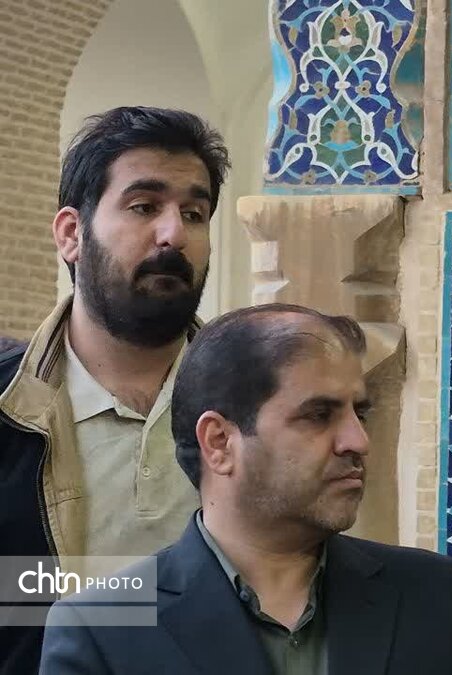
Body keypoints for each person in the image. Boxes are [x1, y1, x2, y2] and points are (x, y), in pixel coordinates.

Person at [40, 303, 452, 674]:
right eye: (319, 415)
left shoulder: (434, 597)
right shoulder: (101, 628)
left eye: (360, 413)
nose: (357, 441)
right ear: (219, 442)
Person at [0, 106, 229, 673]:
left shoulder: (256, 405)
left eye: (194, 213)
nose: (174, 234)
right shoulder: (9, 405)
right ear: (72, 234)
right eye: (144, 207)